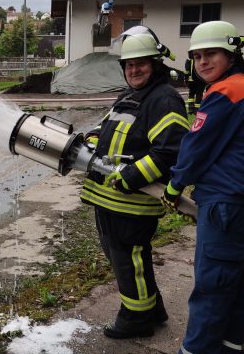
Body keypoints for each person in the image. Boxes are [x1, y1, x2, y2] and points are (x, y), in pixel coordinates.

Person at [160, 21, 244, 354]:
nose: (202, 62)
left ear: (231, 54)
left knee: (211, 287)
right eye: (196, 57)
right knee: (230, 282)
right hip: (243, 202)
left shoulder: (226, 92)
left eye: (211, 54)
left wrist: (174, 185)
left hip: (228, 204)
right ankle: (229, 348)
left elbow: (196, 146)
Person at [79, 31, 189, 339]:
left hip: (133, 200)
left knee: (129, 259)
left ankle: (136, 319)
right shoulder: (128, 96)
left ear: (155, 65)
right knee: (121, 257)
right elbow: (108, 127)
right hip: (110, 197)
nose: (134, 70)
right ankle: (152, 309)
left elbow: (170, 150)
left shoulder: (164, 99)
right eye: (129, 65)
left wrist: (132, 176)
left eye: (141, 64)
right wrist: (92, 137)